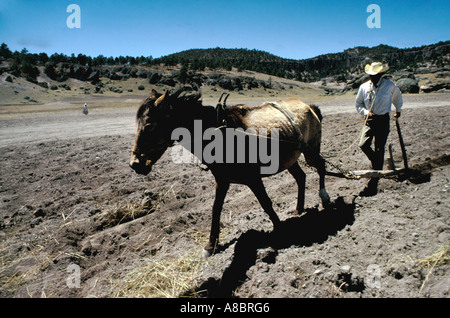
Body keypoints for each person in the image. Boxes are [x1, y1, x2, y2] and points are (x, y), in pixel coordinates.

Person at [355, 62, 403, 195]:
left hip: (383, 120)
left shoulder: (389, 86)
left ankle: (377, 174)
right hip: (369, 120)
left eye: (375, 75)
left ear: (381, 75)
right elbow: (358, 104)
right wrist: (365, 112)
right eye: (371, 75)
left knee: (379, 147)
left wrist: (398, 110)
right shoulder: (364, 87)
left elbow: (397, 98)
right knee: (363, 144)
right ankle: (376, 162)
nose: (372, 77)